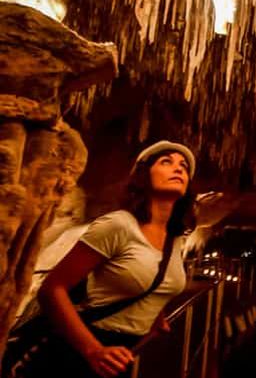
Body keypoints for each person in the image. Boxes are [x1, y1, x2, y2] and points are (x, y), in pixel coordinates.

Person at [35, 140, 197, 378]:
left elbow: (153, 278)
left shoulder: (175, 239)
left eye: (184, 166)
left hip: (128, 353)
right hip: (82, 350)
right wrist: (93, 350)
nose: (178, 168)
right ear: (143, 176)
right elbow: (52, 289)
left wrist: (155, 313)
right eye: (166, 162)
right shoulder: (119, 225)